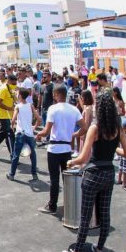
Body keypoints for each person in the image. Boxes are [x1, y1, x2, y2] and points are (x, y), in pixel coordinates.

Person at [61, 91, 126, 252]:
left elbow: (83, 158)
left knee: (85, 216)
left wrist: (71, 162)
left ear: (99, 107)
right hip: (109, 174)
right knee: (105, 214)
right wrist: (113, 148)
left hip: (93, 175)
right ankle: (99, 249)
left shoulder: (95, 128)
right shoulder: (118, 127)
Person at [35, 84, 87, 214]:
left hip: (54, 149)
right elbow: (85, 128)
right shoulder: (74, 109)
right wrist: (74, 135)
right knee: (67, 178)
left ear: (57, 94)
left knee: (54, 179)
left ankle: (52, 206)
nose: (53, 96)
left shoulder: (53, 108)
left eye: (54, 94)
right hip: (67, 148)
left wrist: (37, 134)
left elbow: (46, 131)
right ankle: (71, 204)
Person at [7, 88, 41, 182]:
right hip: (29, 134)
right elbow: (39, 119)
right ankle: (34, 174)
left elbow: (13, 120)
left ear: (20, 95)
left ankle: (12, 174)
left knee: (16, 155)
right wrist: (34, 127)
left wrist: (12, 127)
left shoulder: (18, 106)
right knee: (33, 154)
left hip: (20, 133)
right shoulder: (30, 106)